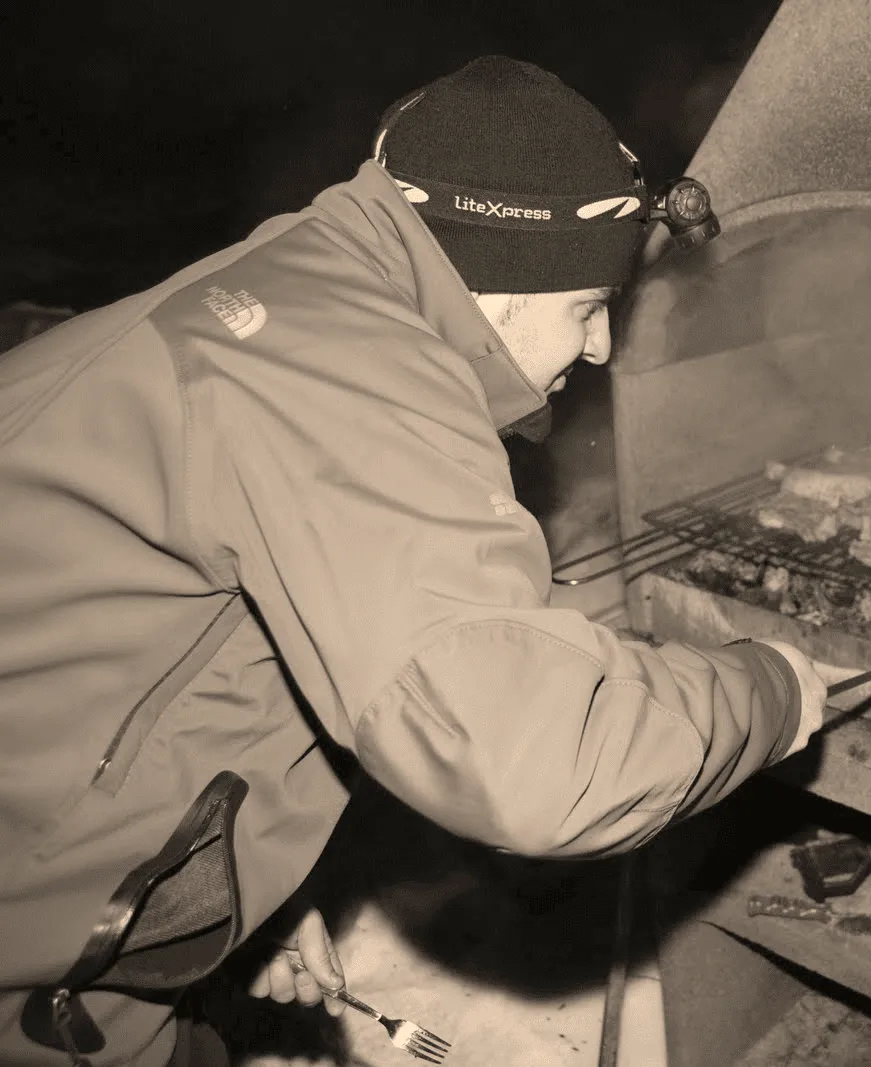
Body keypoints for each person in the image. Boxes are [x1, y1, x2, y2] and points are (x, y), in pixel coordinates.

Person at [0, 55, 827, 1066]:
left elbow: (181, 662)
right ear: (502, 285)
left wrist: (240, 897)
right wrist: (773, 689)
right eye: (588, 303)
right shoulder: (345, 370)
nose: (604, 345)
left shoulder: (300, 294)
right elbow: (540, 762)